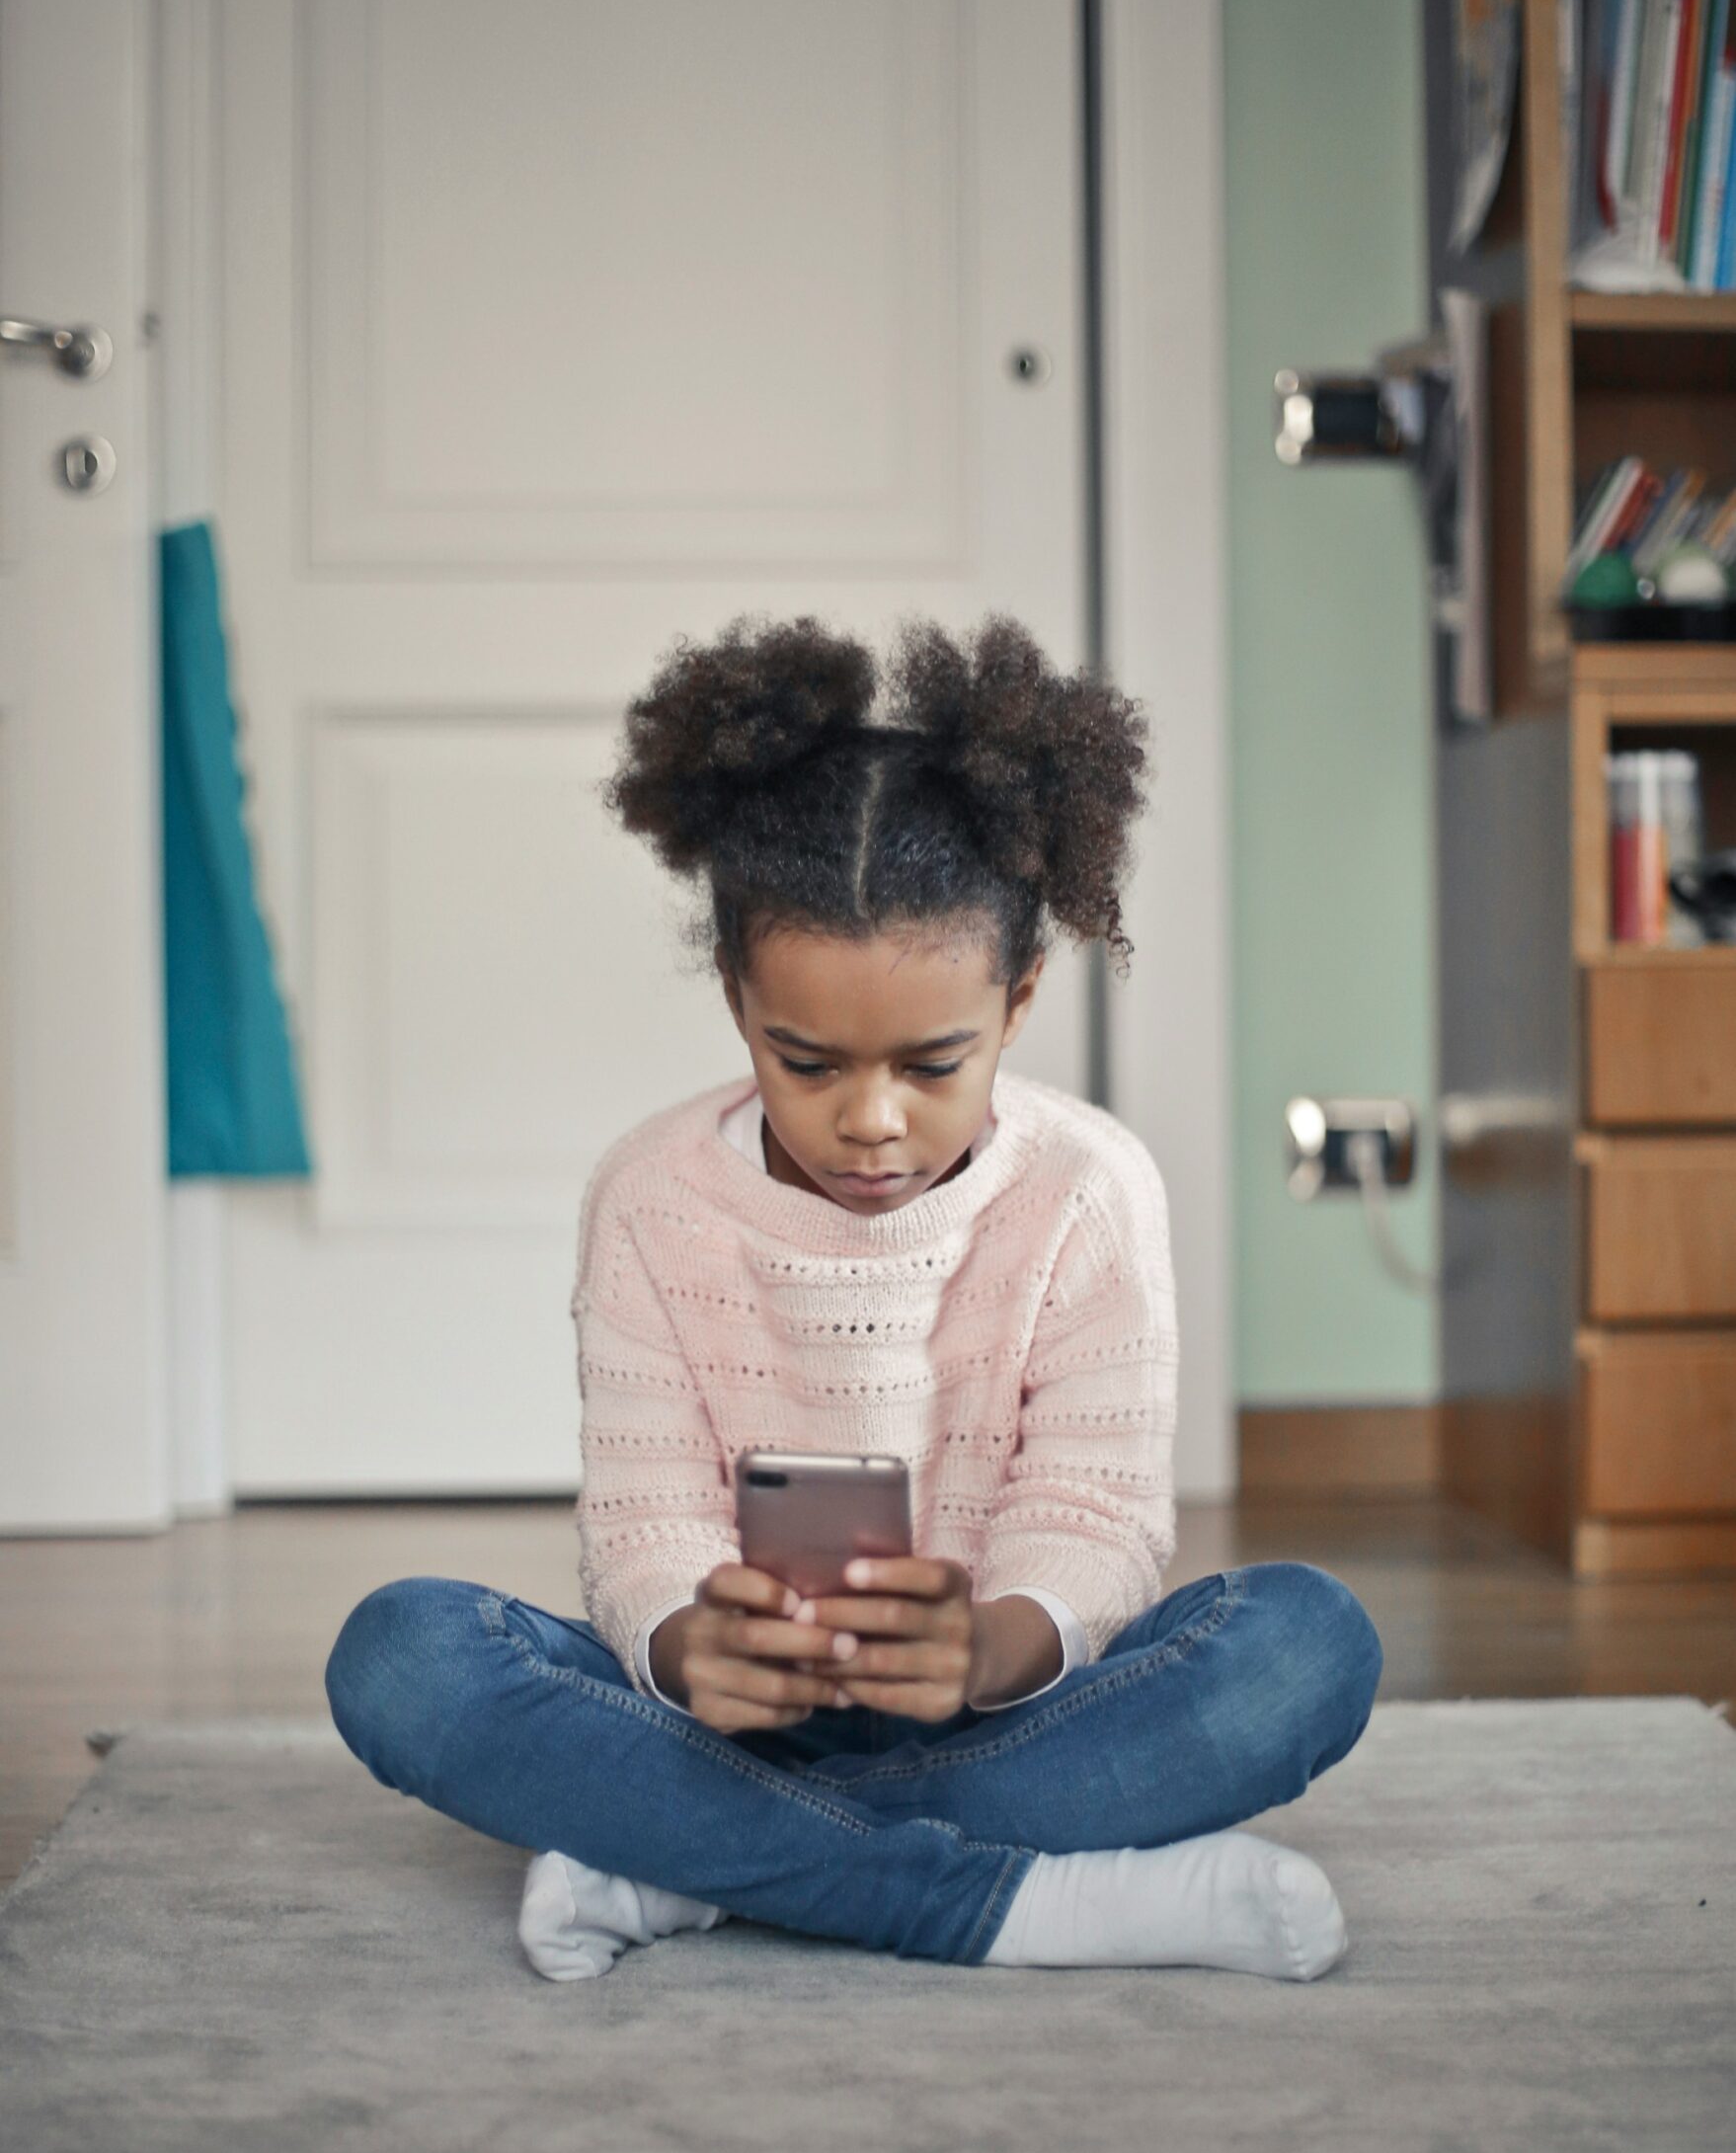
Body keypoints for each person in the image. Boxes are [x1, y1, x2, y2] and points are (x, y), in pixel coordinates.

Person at [325, 613, 1382, 1982]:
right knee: (402, 1657)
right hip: (723, 1721)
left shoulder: (1088, 1189)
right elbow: (644, 1519)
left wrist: (987, 1652)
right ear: (734, 1001)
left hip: (1003, 1710)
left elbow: (1096, 1521)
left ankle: (690, 1867)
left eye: (931, 1064)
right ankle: (1014, 1902)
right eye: (805, 1062)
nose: (869, 1121)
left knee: (1305, 1649)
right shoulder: (650, 1196)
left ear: (1016, 1000)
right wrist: (681, 1643)